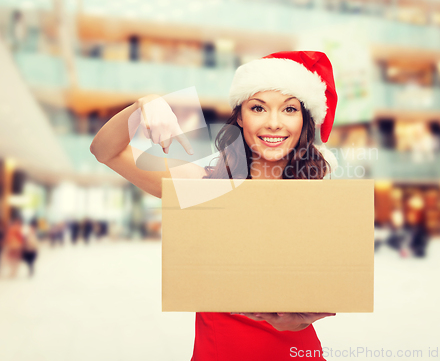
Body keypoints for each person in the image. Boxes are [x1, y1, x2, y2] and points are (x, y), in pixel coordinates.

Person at [90, 51, 339, 361]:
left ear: (304, 122)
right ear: (240, 118)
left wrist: (304, 317)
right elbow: (105, 151)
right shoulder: (205, 186)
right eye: (258, 107)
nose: (274, 123)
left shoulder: (316, 199)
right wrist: (146, 105)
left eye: (289, 109)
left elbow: (330, 293)